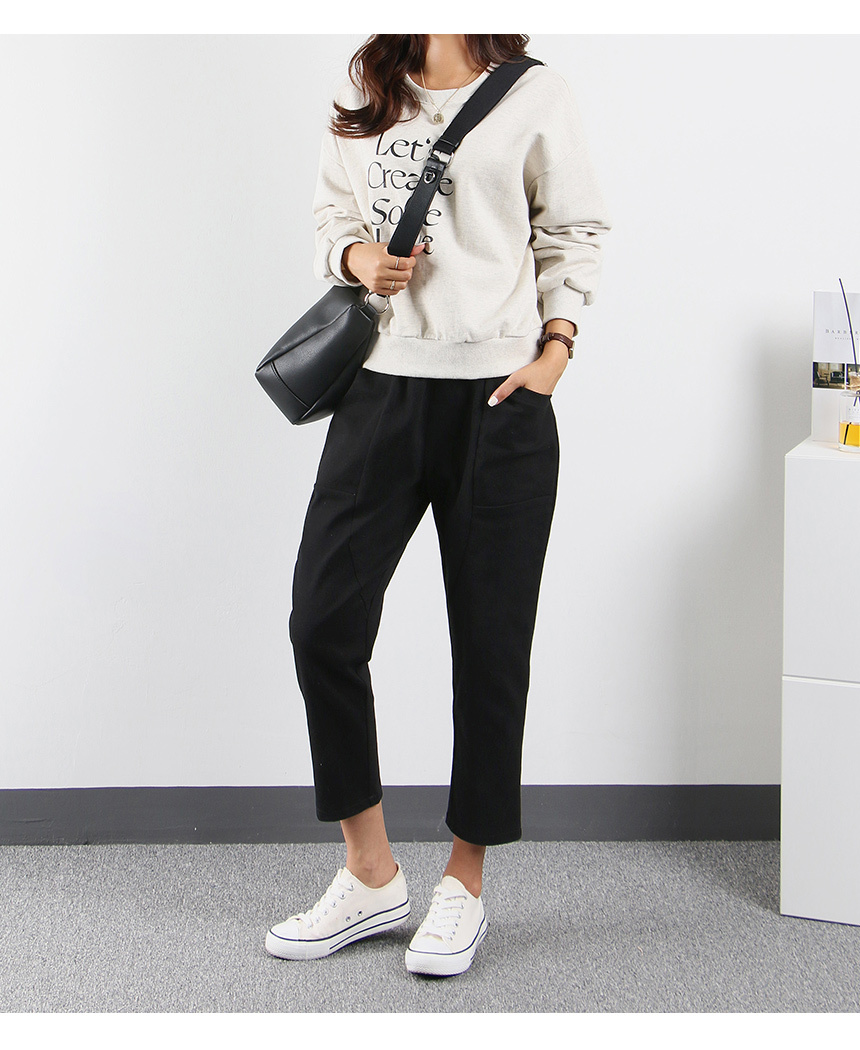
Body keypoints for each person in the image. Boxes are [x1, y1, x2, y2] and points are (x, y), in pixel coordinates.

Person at [265, 33, 611, 977]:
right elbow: (330, 213)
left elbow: (573, 230)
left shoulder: (537, 94)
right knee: (323, 626)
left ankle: (465, 880)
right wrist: (355, 255)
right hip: (380, 392)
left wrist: (557, 349)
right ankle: (370, 874)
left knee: (492, 647)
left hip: (501, 400)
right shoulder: (370, 81)